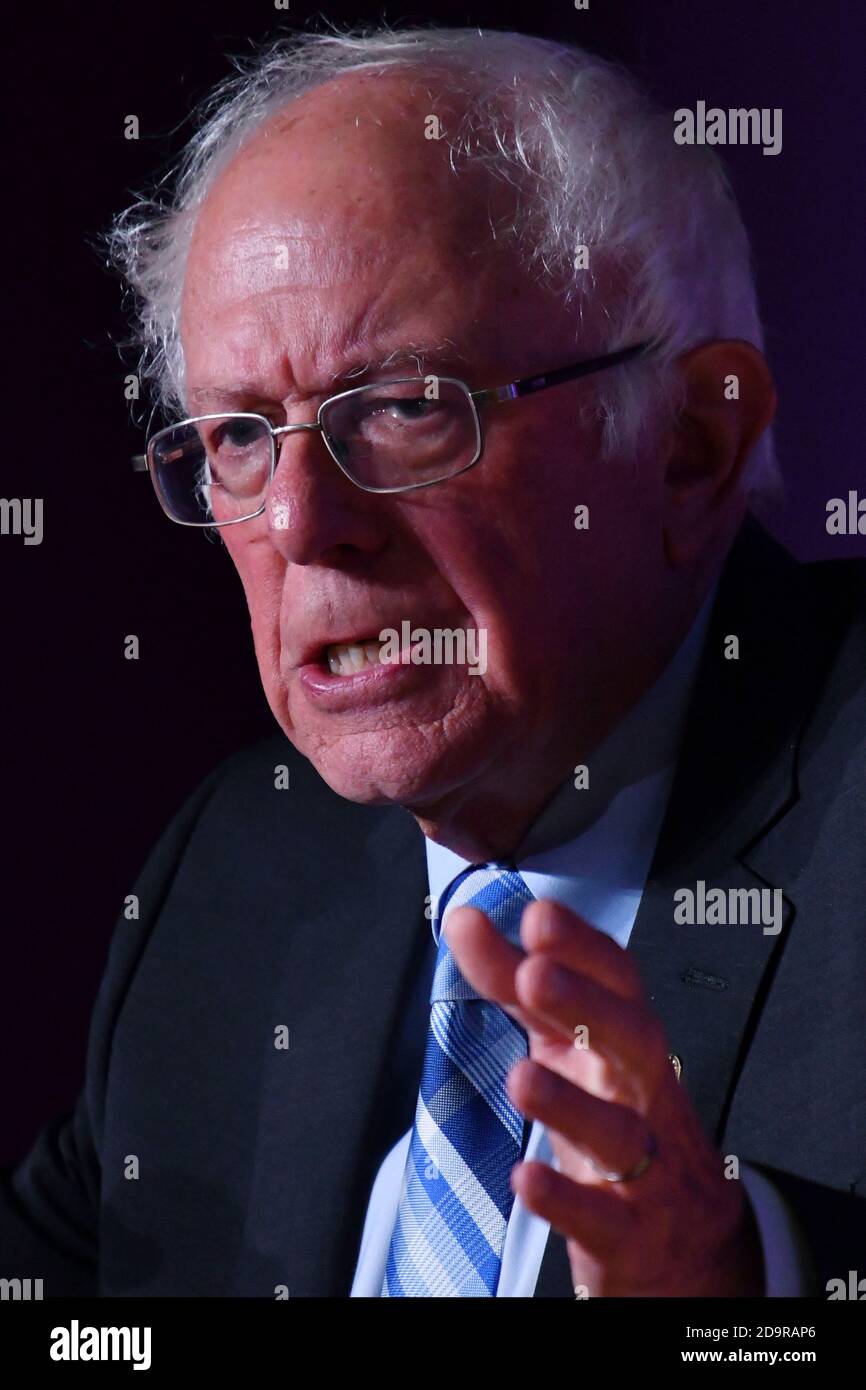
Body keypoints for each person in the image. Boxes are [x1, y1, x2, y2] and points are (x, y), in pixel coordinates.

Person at [3, 26, 864, 1298]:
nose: (299, 522)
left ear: (689, 446)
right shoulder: (239, 872)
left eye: (405, 406)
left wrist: (745, 1291)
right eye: (239, 437)